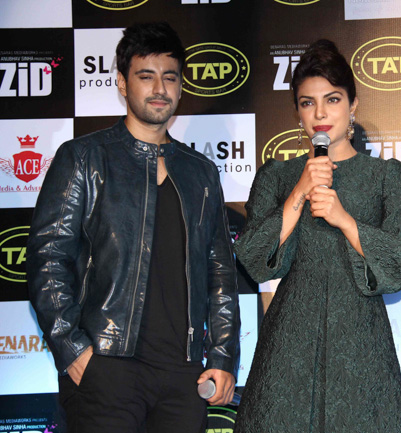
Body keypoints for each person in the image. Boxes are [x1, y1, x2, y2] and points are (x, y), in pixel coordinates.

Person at [26, 22, 240, 433]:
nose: (160, 88)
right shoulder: (84, 158)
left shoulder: (201, 173)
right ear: (123, 83)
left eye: (170, 77)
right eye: (146, 76)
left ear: (181, 86)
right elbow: (47, 258)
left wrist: (222, 357)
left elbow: (220, 275)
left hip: (183, 376)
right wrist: (74, 351)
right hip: (107, 367)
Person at [233, 39, 401, 432]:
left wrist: (345, 220)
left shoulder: (384, 176)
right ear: (298, 112)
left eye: (332, 99)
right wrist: (299, 192)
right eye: (307, 102)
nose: (319, 113)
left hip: (361, 337)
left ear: (353, 105)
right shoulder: (277, 176)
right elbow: (252, 257)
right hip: (289, 340)